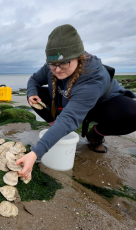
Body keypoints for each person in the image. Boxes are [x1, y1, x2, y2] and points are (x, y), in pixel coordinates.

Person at [16, 24, 136, 180]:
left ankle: (96, 134)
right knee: (37, 95)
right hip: (68, 102)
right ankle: (58, 131)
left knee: (132, 113)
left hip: (102, 106)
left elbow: (70, 118)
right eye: (53, 65)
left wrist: (35, 153)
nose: (58, 70)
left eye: (65, 63)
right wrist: (31, 93)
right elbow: (33, 79)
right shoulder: (53, 64)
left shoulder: (93, 76)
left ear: (78, 57)